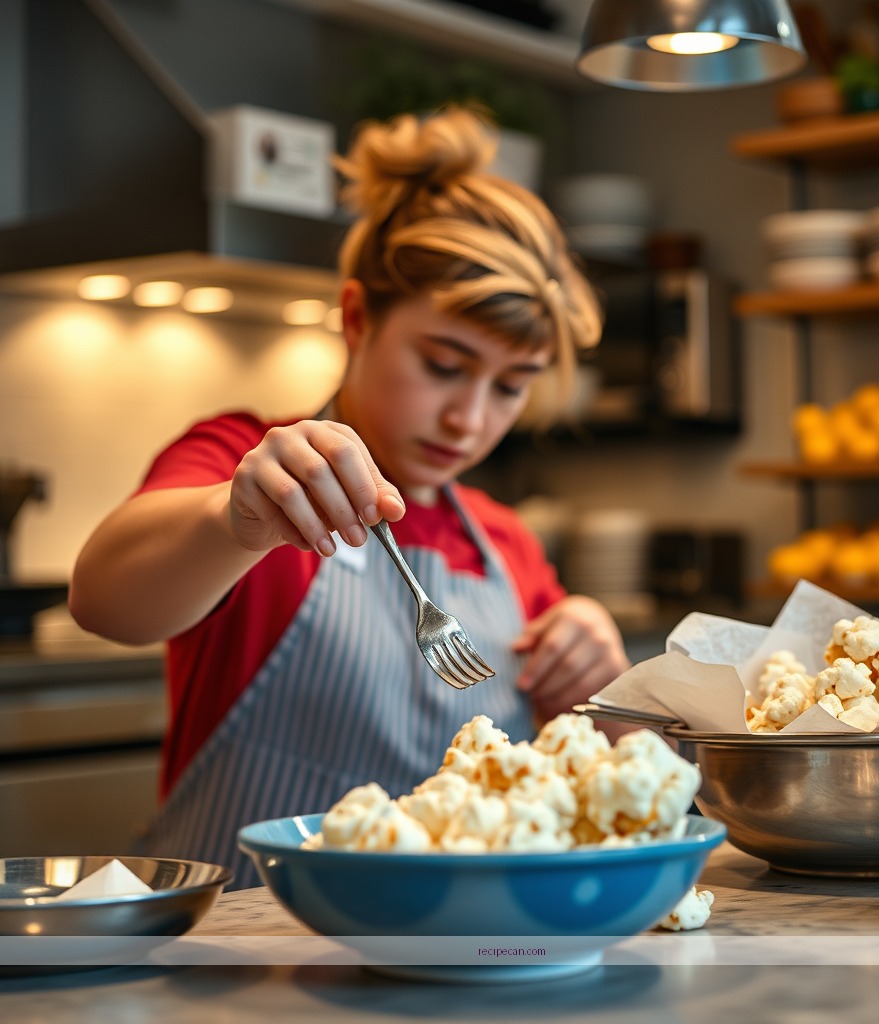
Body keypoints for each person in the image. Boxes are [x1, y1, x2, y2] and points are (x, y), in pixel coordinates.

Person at [69, 106, 631, 889]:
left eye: (511, 387)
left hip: (456, 958)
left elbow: (577, 778)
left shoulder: (506, 543)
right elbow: (104, 602)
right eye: (443, 364)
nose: (471, 419)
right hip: (245, 966)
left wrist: (597, 674)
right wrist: (232, 521)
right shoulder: (246, 466)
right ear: (358, 318)